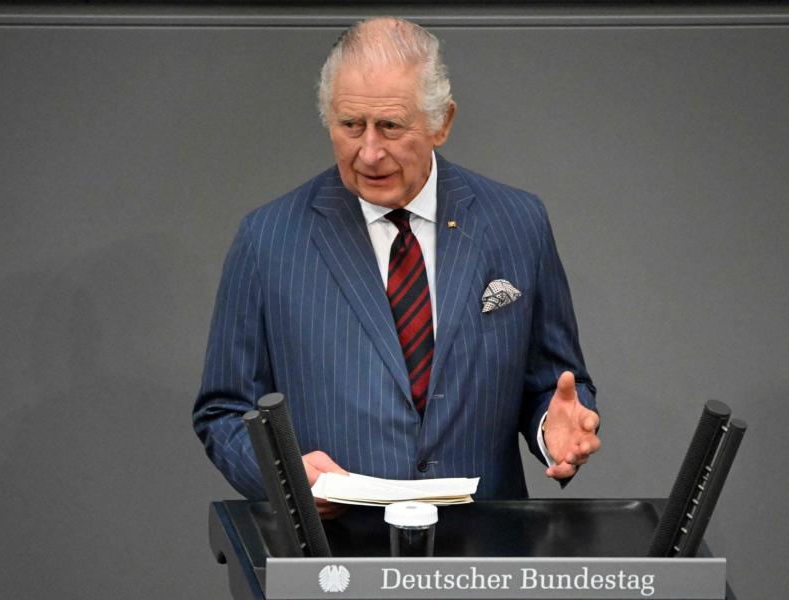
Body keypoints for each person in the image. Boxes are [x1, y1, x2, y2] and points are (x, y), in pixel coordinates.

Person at [193, 17, 600, 517]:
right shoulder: (269, 239)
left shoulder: (518, 223)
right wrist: (283, 476)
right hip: (337, 559)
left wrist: (551, 429)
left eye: (389, 125)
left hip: (484, 551)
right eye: (350, 126)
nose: (369, 151)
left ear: (442, 122)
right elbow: (224, 412)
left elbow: (553, 384)